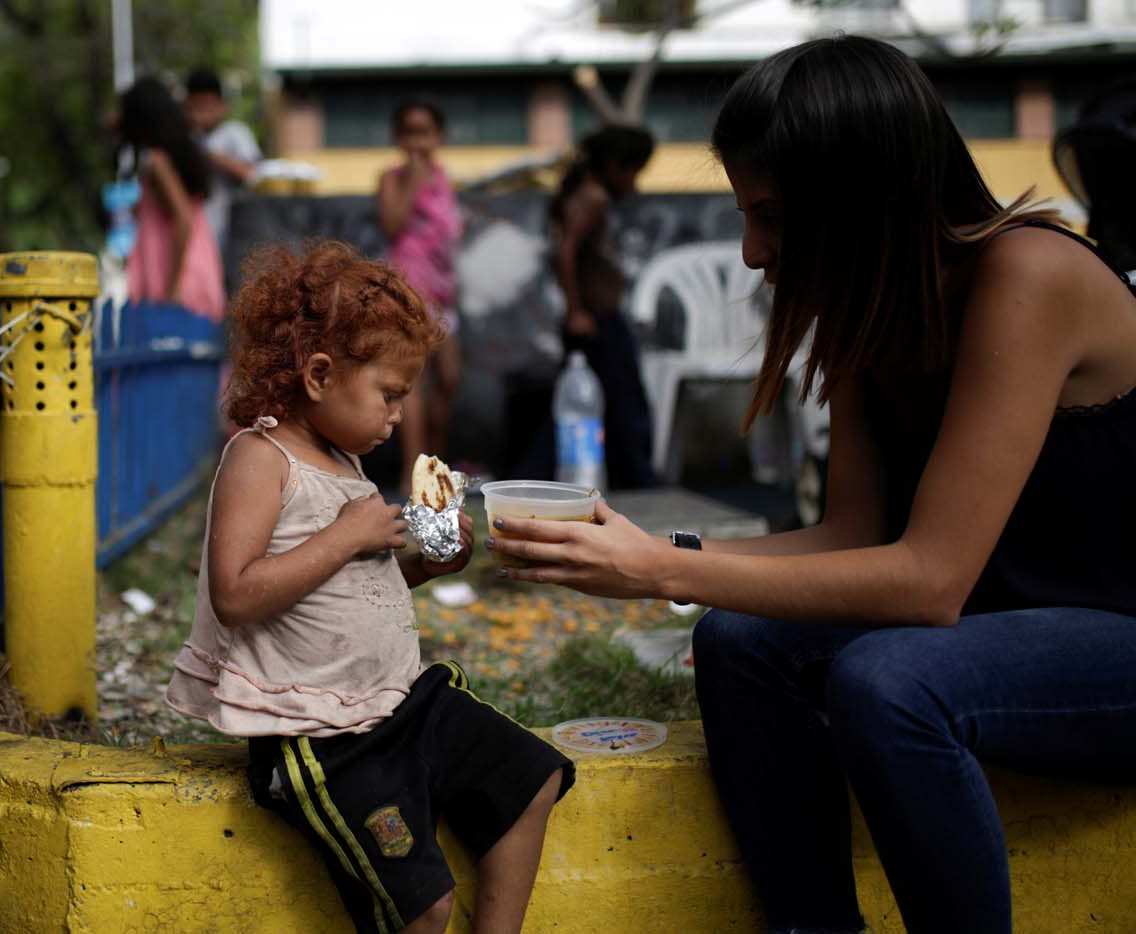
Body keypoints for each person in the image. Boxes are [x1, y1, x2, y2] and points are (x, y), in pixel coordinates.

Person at [485, 35, 1136, 934]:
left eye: (778, 218)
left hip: (1119, 651)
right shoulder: (876, 310)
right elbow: (853, 536)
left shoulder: (1028, 277)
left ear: (865, 201)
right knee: (741, 639)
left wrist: (659, 572)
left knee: (886, 679)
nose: (753, 253)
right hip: (1010, 634)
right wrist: (648, 550)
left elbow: (929, 581)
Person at [166, 241, 574, 934]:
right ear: (320, 375)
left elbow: (342, 586)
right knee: (423, 907)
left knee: (531, 779)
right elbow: (235, 593)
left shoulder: (344, 455)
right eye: (390, 395)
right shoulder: (259, 459)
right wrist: (346, 537)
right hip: (321, 734)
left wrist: (423, 566)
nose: (396, 416)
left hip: (398, 702)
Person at [549, 125, 658, 489]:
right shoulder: (593, 197)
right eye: (632, 170)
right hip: (595, 323)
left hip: (599, 319)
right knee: (625, 407)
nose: (633, 181)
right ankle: (639, 481)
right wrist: (576, 311)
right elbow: (564, 252)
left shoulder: (591, 195)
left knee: (606, 406)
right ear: (613, 164)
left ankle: (631, 477)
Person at [376, 100, 463, 490]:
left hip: (442, 294)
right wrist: (412, 177)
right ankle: (414, 475)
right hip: (410, 289)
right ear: (398, 138)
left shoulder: (444, 179)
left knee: (450, 378)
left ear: (439, 137)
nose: (417, 140)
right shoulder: (393, 178)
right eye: (409, 132)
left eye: (424, 132)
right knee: (414, 380)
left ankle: (435, 465)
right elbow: (393, 225)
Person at [117, 76, 225, 320]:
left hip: (175, 278)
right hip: (199, 267)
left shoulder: (157, 160)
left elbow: (183, 217)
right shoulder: (180, 152)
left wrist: (173, 287)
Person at [185, 68, 261, 261]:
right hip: (196, 233)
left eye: (206, 106)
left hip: (233, 230)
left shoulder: (235, 133)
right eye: (195, 106)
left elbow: (252, 175)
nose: (200, 113)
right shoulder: (186, 138)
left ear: (222, 105)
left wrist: (207, 154)